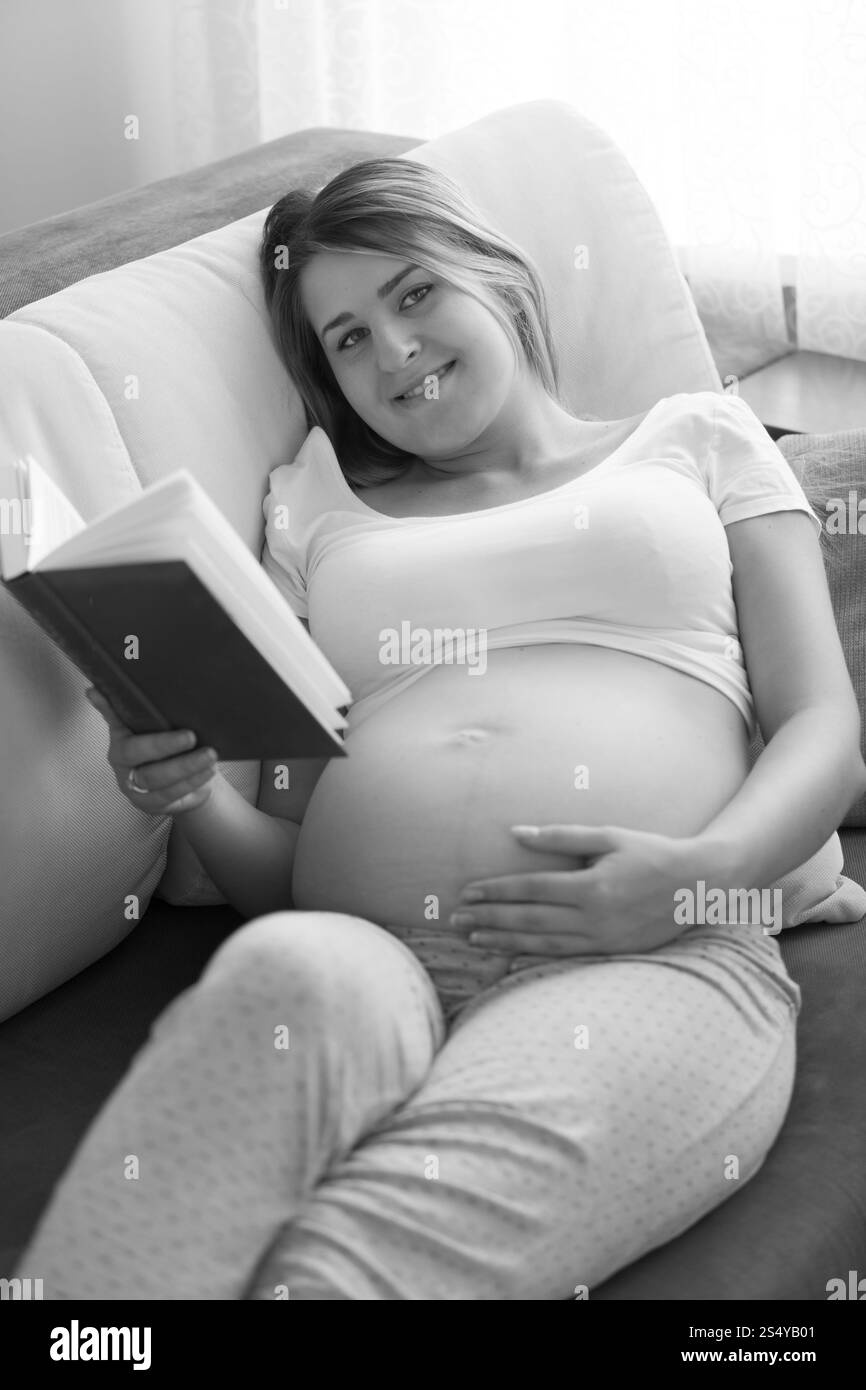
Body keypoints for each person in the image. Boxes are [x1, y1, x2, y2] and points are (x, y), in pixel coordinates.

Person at [15, 158, 866, 1301]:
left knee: (344, 1275)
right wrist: (187, 791)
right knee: (161, 1204)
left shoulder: (696, 439)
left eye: (413, 295)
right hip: (356, 948)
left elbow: (820, 722)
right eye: (348, 340)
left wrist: (700, 879)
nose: (393, 350)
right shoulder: (310, 507)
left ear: (500, 280)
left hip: (641, 953)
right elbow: (284, 869)